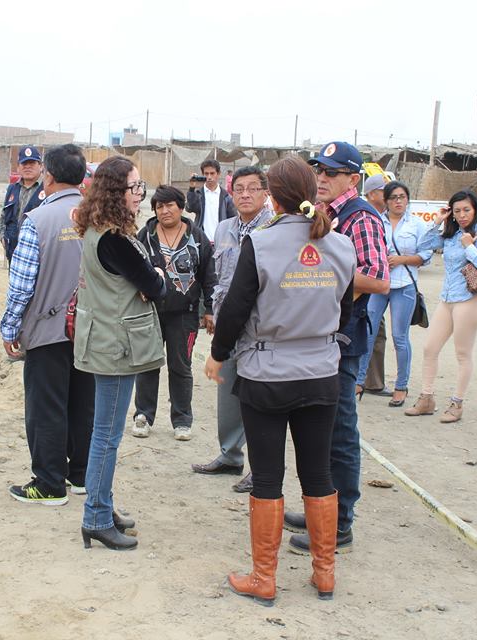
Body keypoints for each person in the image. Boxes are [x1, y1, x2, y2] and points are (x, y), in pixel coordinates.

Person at [205, 156, 356, 605]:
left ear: (273, 196)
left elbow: (235, 308)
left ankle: (264, 577)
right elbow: (344, 311)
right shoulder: (339, 244)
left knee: (268, 476)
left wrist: (218, 354)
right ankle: (324, 574)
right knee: (319, 473)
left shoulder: (262, 243)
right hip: (321, 373)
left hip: (267, 374)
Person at [284, 141, 389, 556]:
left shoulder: (360, 217)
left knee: (340, 431)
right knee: (320, 428)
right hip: (321, 333)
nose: (322, 178)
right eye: (319, 171)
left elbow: (378, 278)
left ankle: (339, 522)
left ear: (353, 178)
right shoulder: (323, 212)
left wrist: (324, 273)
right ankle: (321, 511)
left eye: (331, 172)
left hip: (345, 337)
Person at [74, 156, 166, 550]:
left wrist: (149, 279)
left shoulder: (101, 230)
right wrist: (156, 276)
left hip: (106, 339)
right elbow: (155, 285)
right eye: (134, 187)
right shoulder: (113, 239)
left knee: (104, 434)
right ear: (116, 192)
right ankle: (95, 516)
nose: (139, 194)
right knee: (107, 437)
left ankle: (103, 505)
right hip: (115, 345)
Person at [0, 144, 95, 505]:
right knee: (83, 403)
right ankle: (81, 475)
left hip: (47, 330)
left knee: (46, 408)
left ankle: (49, 483)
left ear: (49, 176)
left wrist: (10, 328)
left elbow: (22, 284)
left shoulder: (38, 220)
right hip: (90, 330)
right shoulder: (97, 217)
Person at [191, 166, 273, 493]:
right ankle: (230, 455)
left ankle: (260, 468)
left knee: (257, 401)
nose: (245, 194)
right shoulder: (224, 228)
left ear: (266, 193)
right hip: (227, 326)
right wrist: (212, 312)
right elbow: (217, 277)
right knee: (227, 396)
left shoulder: (274, 229)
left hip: (259, 328)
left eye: (253, 188)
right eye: (239, 189)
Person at [131, 185, 216, 442]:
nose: (164, 211)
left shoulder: (197, 237)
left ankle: (182, 420)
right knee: (148, 364)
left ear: (180, 207)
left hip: (185, 314)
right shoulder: (145, 236)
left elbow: (209, 275)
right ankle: (143, 415)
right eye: (159, 206)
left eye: (169, 205)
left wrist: (210, 309)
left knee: (181, 366)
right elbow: (132, 269)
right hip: (150, 312)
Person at [405, 189, 477, 422]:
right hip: (447, 299)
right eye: (457, 211)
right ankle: (426, 398)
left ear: (475, 210)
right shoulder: (452, 234)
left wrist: (470, 247)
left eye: (466, 210)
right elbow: (422, 245)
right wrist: (438, 221)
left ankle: (457, 403)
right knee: (430, 348)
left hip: (469, 300)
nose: (462, 215)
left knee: (462, 353)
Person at [355, 181, 432, 407]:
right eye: (393, 198)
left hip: (404, 285)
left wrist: (402, 259)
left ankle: (401, 386)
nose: (398, 201)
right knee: (368, 333)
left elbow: (426, 254)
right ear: (386, 201)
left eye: (402, 197)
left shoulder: (417, 224)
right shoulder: (376, 221)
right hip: (379, 284)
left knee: (400, 337)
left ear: (407, 199)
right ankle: (359, 382)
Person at [359, 174, 392, 397]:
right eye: (384, 191)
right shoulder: (363, 217)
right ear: (372, 194)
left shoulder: (387, 217)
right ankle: (360, 381)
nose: (389, 195)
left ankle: (374, 382)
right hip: (366, 286)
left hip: (378, 286)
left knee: (378, 333)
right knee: (368, 332)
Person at [0, 146, 45, 262]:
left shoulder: (47, 188)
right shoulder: (12, 188)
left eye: (32, 163)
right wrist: (3, 236)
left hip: (37, 252)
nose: (27, 167)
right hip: (13, 250)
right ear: (18, 167)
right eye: (24, 163)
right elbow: (4, 215)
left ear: (41, 166)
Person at [186, 159, 237, 242]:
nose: (209, 177)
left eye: (212, 173)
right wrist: (191, 189)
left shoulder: (226, 197)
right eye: (206, 174)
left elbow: (233, 219)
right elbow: (190, 208)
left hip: (221, 242)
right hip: (202, 242)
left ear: (218, 174)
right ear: (203, 174)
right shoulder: (198, 194)